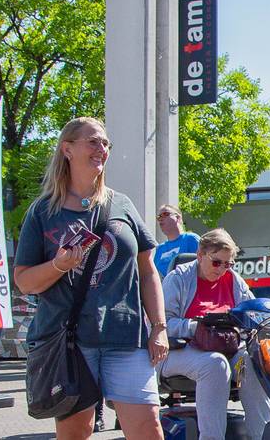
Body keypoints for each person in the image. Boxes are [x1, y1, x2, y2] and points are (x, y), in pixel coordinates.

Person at [13, 117, 168, 440]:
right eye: (93, 141)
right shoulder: (42, 212)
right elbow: (25, 281)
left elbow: (147, 270)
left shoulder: (121, 204)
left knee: (148, 429)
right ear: (67, 149)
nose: (102, 149)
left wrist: (159, 327)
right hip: (70, 340)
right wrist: (58, 265)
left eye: (106, 144)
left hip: (126, 337)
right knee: (76, 433)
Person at [159, 228, 270, 440]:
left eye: (228, 264)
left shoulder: (233, 280)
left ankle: (261, 436)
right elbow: (162, 323)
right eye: (217, 262)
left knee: (251, 362)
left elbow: (251, 312)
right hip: (181, 350)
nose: (222, 269)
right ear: (200, 255)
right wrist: (194, 327)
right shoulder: (178, 279)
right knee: (215, 364)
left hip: (228, 349)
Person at [153, 204, 199, 276]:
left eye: (165, 214)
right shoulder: (160, 249)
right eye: (159, 217)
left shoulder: (191, 239)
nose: (161, 219)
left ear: (178, 218)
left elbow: (204, 265)